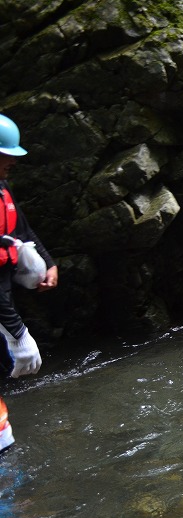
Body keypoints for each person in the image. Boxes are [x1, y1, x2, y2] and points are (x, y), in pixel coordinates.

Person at [0, 114, 59, 454]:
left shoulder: (2, 187)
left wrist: (48, 263)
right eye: (5, 155)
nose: (12, 161)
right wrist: (17, 332)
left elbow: (21, 231)